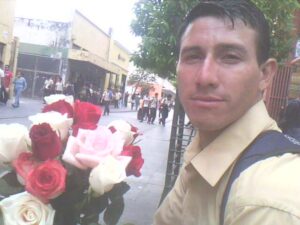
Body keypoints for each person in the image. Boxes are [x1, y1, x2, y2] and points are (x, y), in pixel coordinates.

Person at [153, 1, 300, 225]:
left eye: (230, 57)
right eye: (193, 56)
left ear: (265, 75)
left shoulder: (266, 200)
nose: (205, 77)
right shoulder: (201, 153)